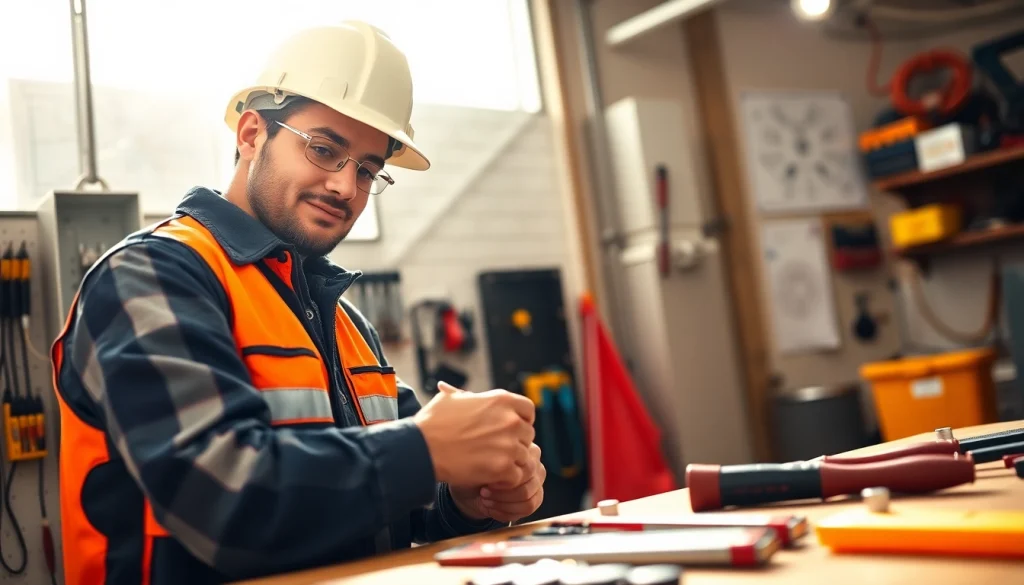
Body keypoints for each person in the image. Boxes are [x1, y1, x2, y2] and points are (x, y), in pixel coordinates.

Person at [49, 20, 545, 585]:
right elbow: (222, 501)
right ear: (252, 134)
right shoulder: (151, 276)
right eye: (324, 149)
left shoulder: (340, 316)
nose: (345, 187)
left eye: (366, 170)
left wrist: (468, 494)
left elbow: (387, 497)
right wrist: (428, 450)